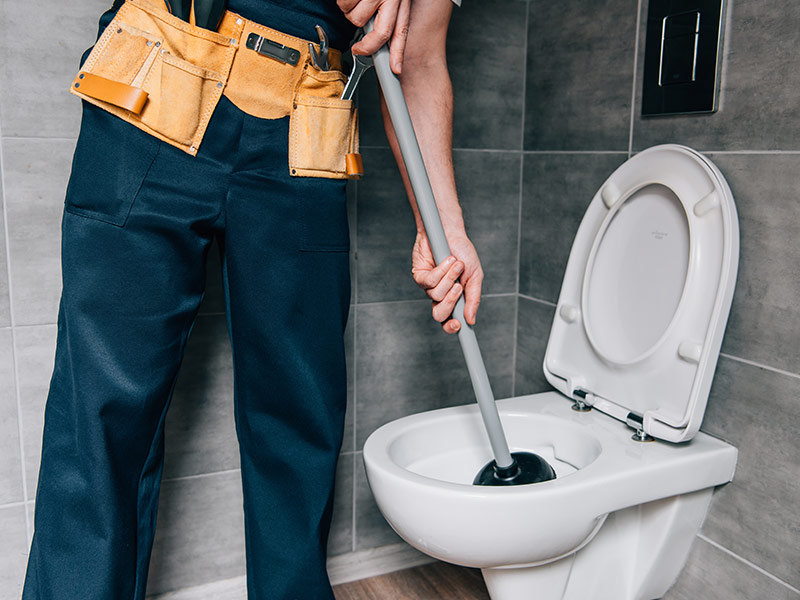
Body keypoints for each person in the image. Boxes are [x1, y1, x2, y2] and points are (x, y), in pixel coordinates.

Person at [22, 0, 480, 598]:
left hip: (306, 121)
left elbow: (415, 56)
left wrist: (442, 227)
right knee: (102, 420)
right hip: (158, 82)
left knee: (299, 418)